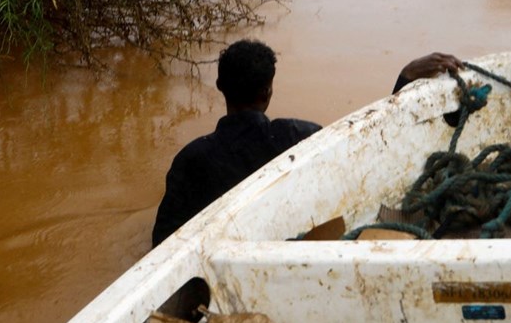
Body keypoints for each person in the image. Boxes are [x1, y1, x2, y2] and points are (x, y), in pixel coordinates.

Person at [151, 39, 462, 247]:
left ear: (219, 86)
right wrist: (405, 79)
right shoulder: (301, 138)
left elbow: (162, 242)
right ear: (268, 91)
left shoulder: (190, 160)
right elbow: (370, 152)